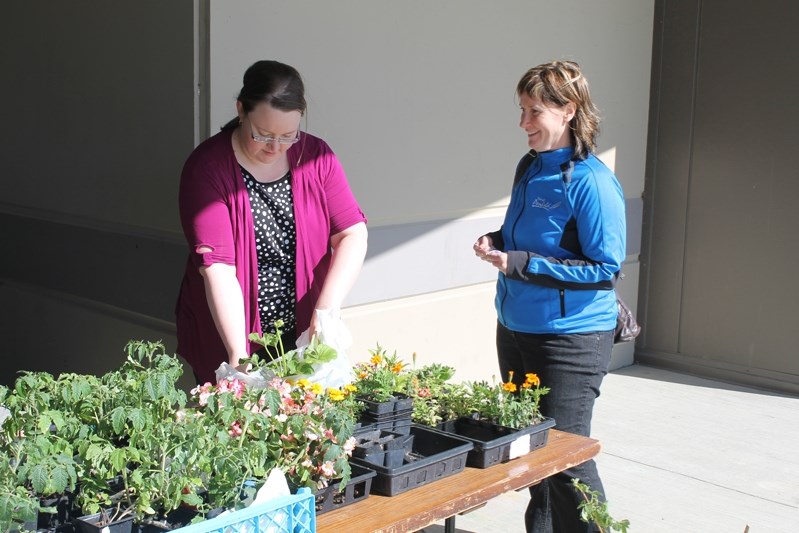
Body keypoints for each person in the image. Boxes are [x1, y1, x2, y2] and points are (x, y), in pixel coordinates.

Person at [473, 60, 626, 532]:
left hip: (571, 339)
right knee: (531, 450)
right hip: (516, 328)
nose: (523, 123)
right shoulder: (531, 166)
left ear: (569, 110)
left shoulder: (592, 181)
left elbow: (605, 267)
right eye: (521, 110)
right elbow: (534, 235)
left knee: (566, 457)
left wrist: (519, 262)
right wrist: (498, 241)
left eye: (534, 111)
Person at [176, 60, 368, 385]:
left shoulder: (316, 156)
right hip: (231, 335)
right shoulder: (207, 169)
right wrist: (239, 359)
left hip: (300, 333)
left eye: (287, 136)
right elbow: (218, 268)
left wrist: (325, 312)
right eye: (263, 134)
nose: (275, 148)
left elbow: (352, 233)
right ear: (241, 110)